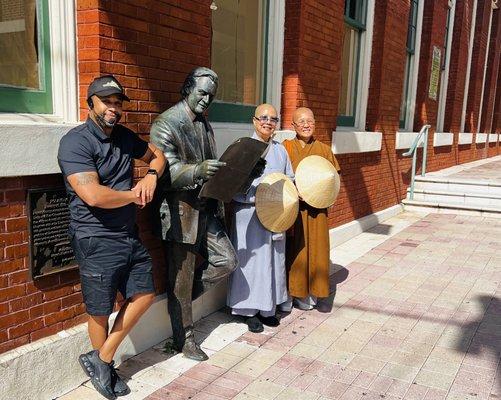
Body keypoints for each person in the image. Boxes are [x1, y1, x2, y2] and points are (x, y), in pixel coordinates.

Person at [57, 75, 166, 400]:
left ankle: (102, 358)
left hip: (127, 234)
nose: (113, 108)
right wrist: (135, 196)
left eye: (118, 103)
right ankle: (105, 369)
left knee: (145, 293)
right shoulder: (75, 142)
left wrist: (150, 176)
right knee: (99, 309)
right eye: (107, 101)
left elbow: (158, 157)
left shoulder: (125, 137)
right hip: (94, 236)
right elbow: (92, 195)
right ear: (90, 103)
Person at [150, 67, 238, 361]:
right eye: (201, 93)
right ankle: (183, 339)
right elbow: (165, 171)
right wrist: (198, 170)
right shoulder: (166, 123)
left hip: (207, 208)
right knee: (182, 278)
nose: (206, 100)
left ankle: (180, 301)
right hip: (180, 212)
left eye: (211, 96)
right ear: (187, 88)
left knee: (227, 261)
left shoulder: (204, 123)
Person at [227, 103, 294, 333]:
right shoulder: (243, 147)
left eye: (273, 119)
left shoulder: (280, 151)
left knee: (273, 259)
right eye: (263, 117)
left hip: (275, 215)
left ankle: (268, 308)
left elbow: (289, 180)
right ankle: (248, 311)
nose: (268, 122)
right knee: (251, 262)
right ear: (254, 121)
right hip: (248, 213)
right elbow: (230, 183)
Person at [283, 107, 340, 312]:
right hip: (294, 209)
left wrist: (328, 197)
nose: (306, 125)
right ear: (293, 126)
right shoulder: (285, 147)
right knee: (294, 250)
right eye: (301, 121)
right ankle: (292, 292)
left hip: (317, 211)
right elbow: (279, 177)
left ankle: (310, 292)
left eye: (310, 121)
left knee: (317, 250)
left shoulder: (324, 150)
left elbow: (334, 179)